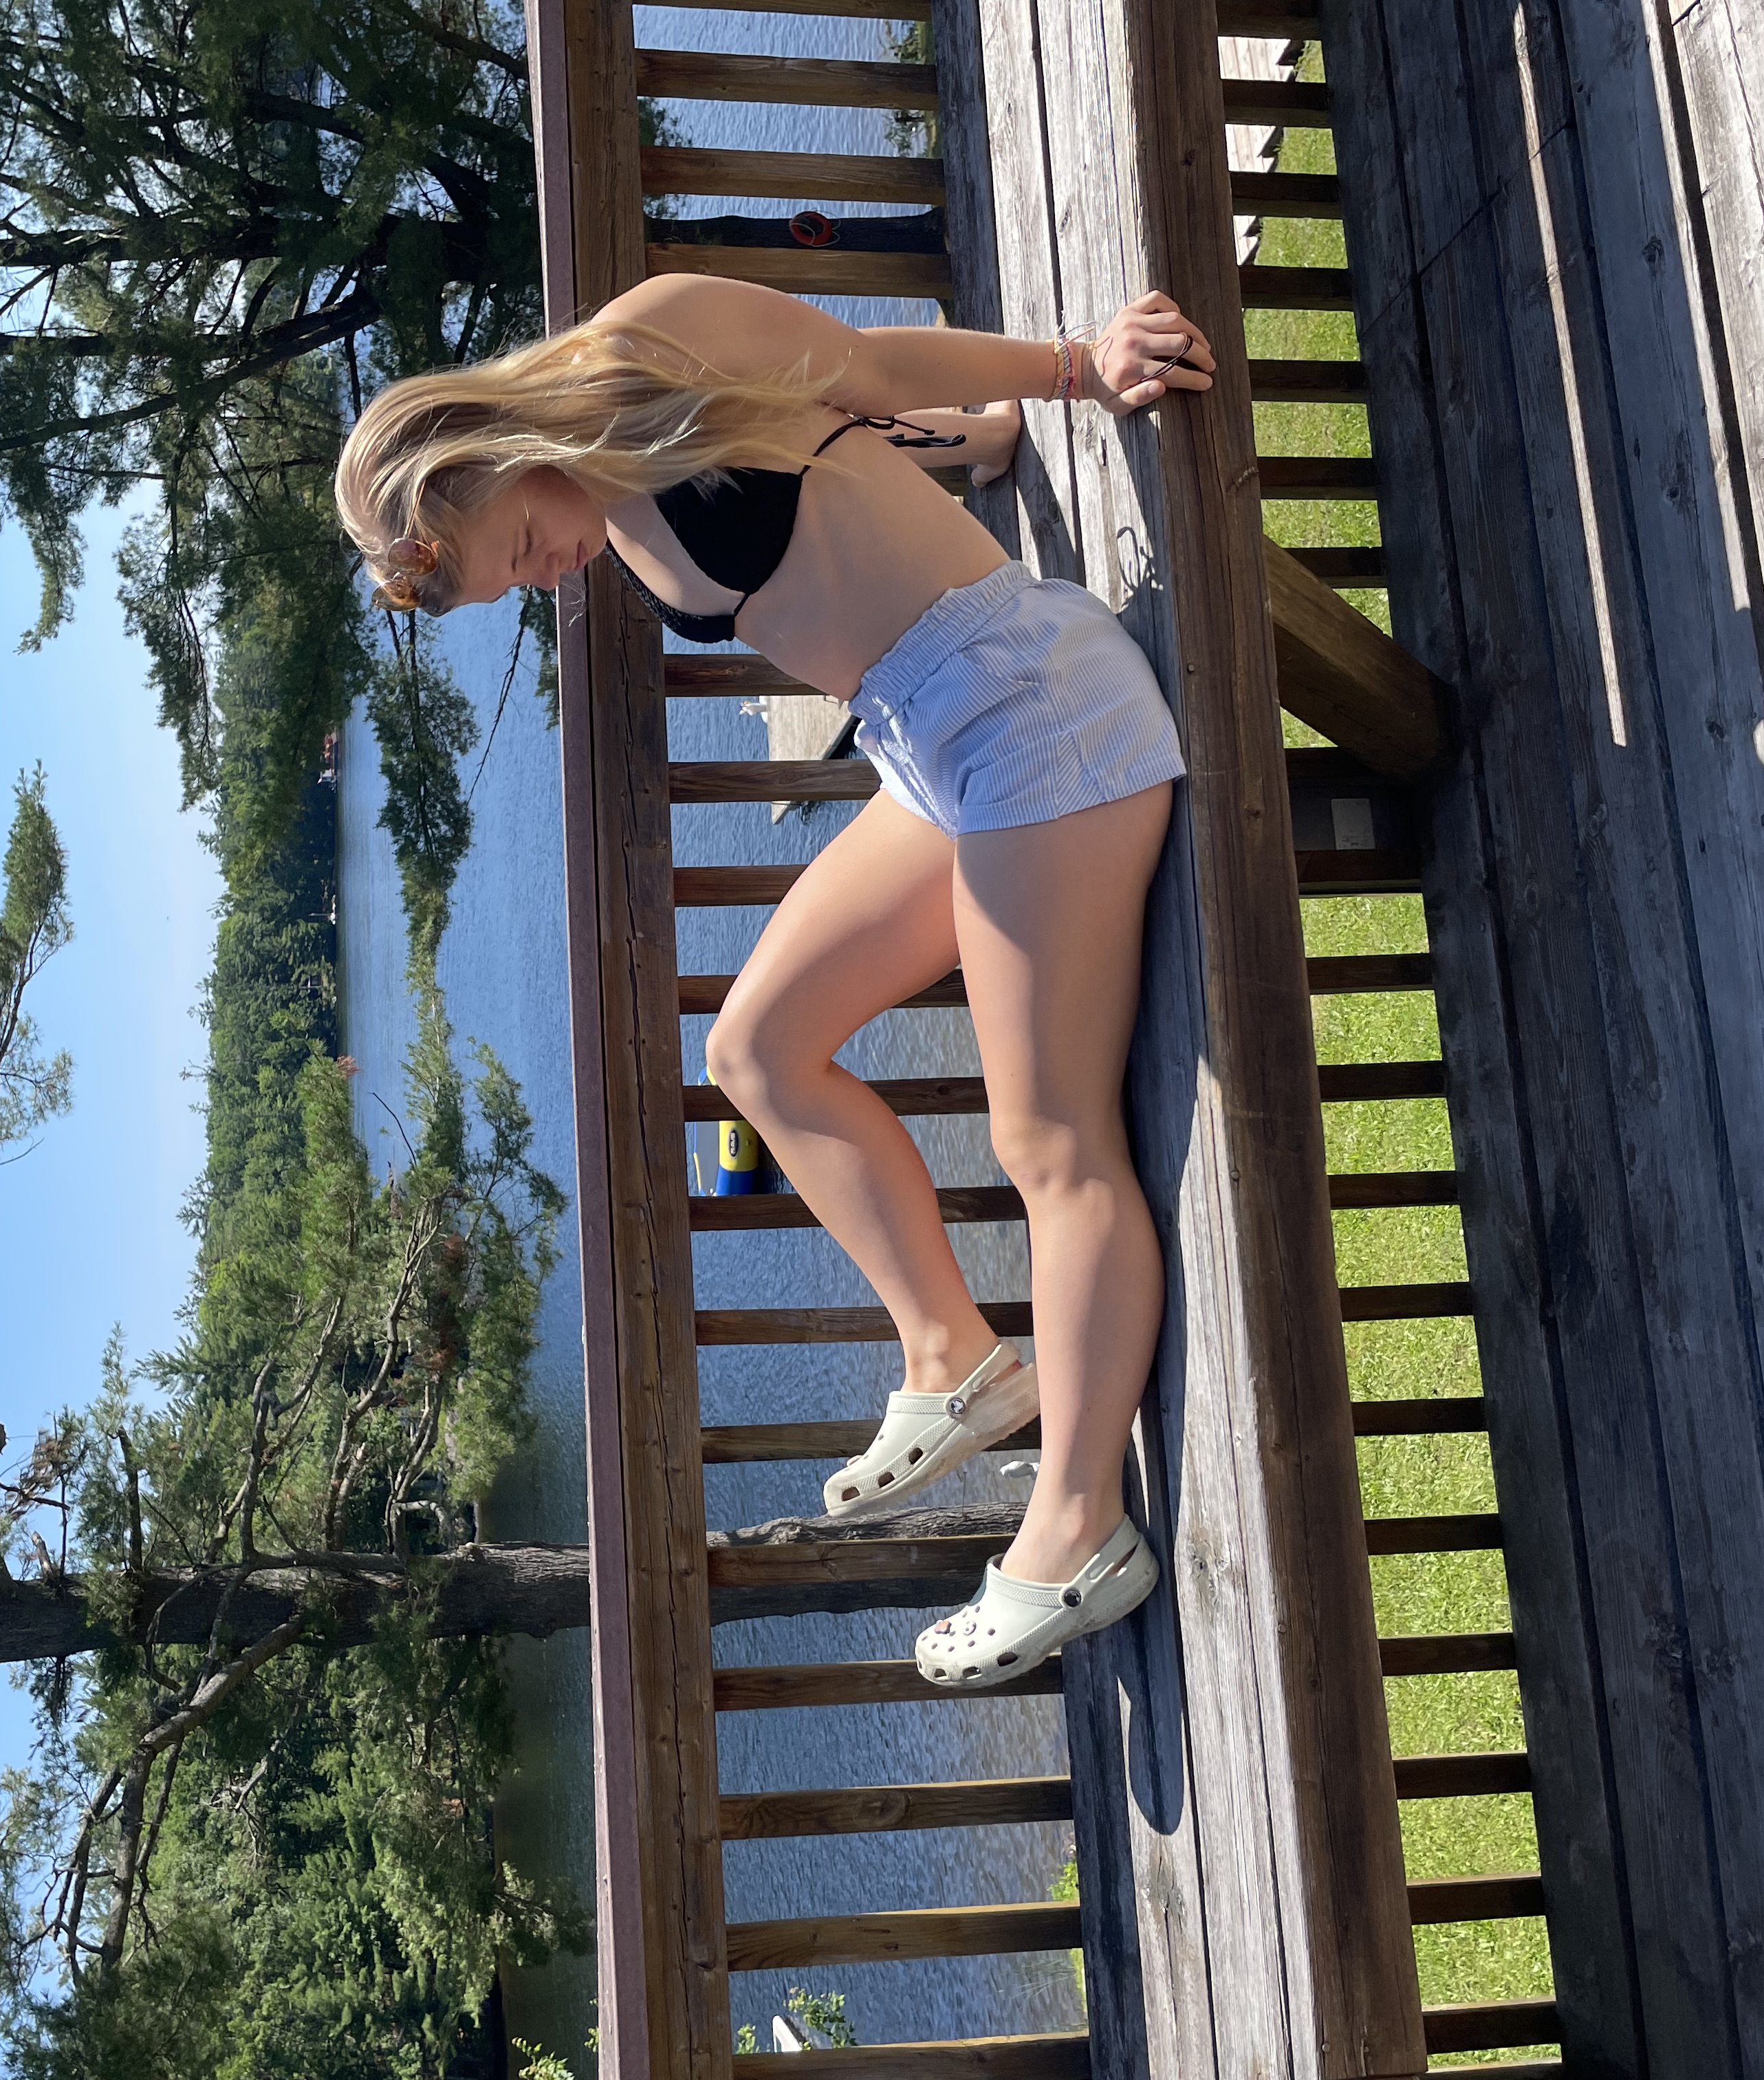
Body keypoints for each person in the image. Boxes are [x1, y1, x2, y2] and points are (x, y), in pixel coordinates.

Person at [331, 274, 1216, 1688]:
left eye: (519, 549)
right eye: (517, 584)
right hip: (932, 752)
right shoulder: (618, 502)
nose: (543, 577)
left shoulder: (657, 339)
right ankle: (956, 1357)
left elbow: (860, 359)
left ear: (488, 454)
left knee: (1049, 1143)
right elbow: (855, 450)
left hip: (1026, 713)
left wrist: (1073, 366)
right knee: (756, 1053)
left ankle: (1078, 1525)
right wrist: (979, 445)